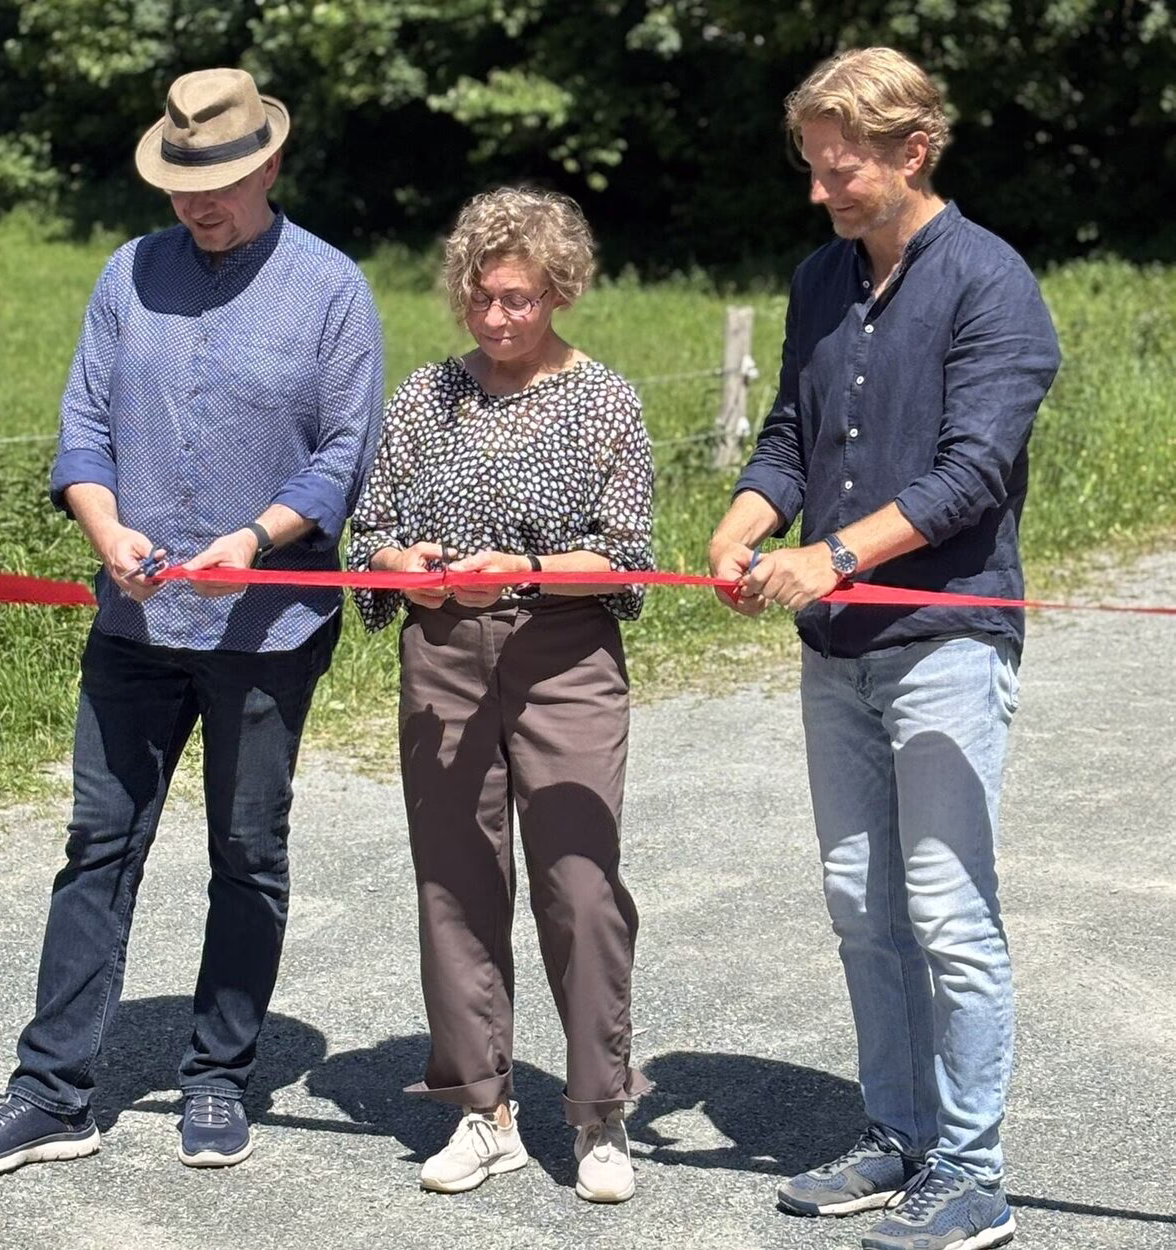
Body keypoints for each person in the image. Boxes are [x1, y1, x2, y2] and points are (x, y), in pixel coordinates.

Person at [0, 68, 383, 1177]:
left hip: (266, 629)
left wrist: (256, 540)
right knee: (97, 844)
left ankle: (219, 1074)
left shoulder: (332, 288)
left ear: (271, 165)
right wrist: (104, 528)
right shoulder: (127, 272)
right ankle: (51, 1093)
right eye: (181, 183)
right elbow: (83, 426)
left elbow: (344, 455)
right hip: (132, 624)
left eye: (218, 181)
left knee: (247, 851)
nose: (197, 202)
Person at [708, 47, 1060, 1250]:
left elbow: (970, 473)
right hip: (836, 647)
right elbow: (788, 435)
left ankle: (970, 1173)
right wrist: (742, 523)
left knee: (948, 911)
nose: (820, 191)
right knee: (861, 904)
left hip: (948, 637)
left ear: (913, 150)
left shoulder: (991, 284)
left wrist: (833, 555)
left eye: (841, 169)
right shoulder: (820, 277)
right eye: (810, 167)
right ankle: (898, 1132)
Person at [347, 187, 654, 1203]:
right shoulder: (425, 397)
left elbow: (626, 558)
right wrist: (405, 565)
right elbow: (368, 533)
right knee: (455, 880)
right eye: (478, 297)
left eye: (516, 298)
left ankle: (599, 1111)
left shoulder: (603, 401)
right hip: (442, 654)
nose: (494, 317)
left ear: (558, 290)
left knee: (580, 883)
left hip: (564, 655)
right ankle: (483, 1111)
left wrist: (519, 570)